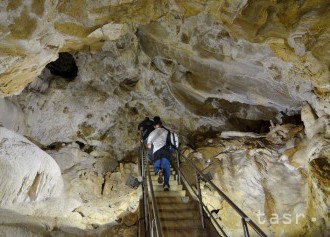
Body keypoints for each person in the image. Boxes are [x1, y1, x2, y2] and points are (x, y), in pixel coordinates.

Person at [147, 116, 171, 191]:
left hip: (156, 151)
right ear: (161, 124)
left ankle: (158, 171)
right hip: (165, 150)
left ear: (154, 126)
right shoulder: (166, 131)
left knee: (156, 165)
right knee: (167, 167)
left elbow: (149, 145)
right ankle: (166, 185)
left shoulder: (152, 133)